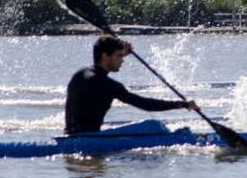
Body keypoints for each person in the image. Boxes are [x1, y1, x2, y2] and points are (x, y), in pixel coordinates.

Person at [64, 34, 198, 135]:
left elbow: (100, 74)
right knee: (153, 126)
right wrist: (183, 104)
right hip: (90, 139)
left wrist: (121, 52)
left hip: (69, 136)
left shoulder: (78, 75)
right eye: (119, 56)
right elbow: (146, 105)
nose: (122, 60)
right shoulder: (108, 85)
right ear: (105, 56)